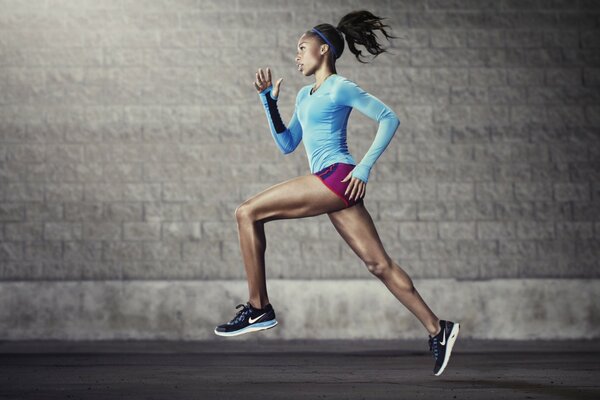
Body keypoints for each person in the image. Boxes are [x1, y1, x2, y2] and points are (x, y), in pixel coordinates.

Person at [214, 9, 460, 376]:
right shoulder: (303, 95)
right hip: (331, 184)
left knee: (246, 212)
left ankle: (258, 306)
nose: (297, 55)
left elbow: (389, 118)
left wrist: (364, 167)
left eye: (302, 47)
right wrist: (268, 101)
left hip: (336, 177)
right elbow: (287, 144)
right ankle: (439, 329)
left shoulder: (339, 87)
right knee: (379, 264)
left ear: (324, 49)